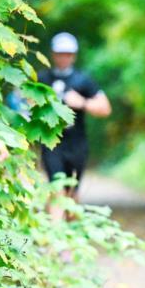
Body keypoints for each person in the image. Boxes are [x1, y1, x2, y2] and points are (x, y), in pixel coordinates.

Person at [37, 32, 111, 217]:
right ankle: (58, 240)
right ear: (53, 54)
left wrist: (82, 103)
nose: (64, 58)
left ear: (74, 55)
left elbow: (105, 108)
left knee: (72, 192)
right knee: (56, 187)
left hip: (77, 144)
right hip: (51, 142)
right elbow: (25, 105)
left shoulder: (83, 80)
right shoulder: (42, 79)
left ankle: (71, 233)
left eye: (68, 54)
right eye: (60, 53)